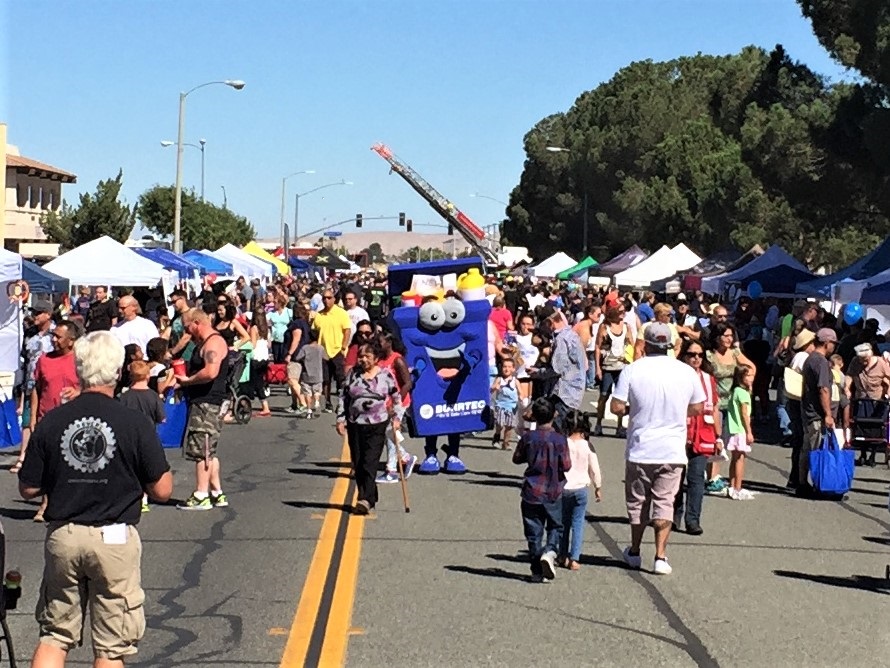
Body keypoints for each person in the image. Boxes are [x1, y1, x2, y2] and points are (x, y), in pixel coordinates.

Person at [18, 330, 172, 666]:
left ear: (79, 368)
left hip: (65, 533)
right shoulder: (133, 422)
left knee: (55, 635)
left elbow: (27, 487)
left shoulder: (54, 421)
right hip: (114, 534)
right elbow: (162, 489)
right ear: (118, 372)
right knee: (110, 646)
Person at [611, 322, 705, 575]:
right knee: (665, 502)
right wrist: (676, 412)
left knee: (638, 502)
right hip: (672, 448)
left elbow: (616, 407)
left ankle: (634, 549)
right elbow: (698, 407)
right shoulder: (686, 372)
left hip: (642, 446)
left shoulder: (632, 370)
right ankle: (660, 556)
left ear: (647, 343)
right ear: (671, 345)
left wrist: (634, 409)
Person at [335, 340, 404, 515]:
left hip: (377, 424)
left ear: (376, 358)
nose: (363, 359)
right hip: (355, 423)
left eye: (367, 356)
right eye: (361, 356)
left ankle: (364, 499)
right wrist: (340, 419)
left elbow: (396, 397)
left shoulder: (385, 375)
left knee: (370, 461)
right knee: (358, 462)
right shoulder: (353, 374)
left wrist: (396, 418)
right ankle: (369, 496)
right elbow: (343, 397)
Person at [174, 309, 230, 510]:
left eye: (188, 327)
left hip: (209, 402)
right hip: (203, 400)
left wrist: (188, 381)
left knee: (202, 447)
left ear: (196, 323)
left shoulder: (213, 343)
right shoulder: (204, 344)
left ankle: (201, 494)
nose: (188, 333)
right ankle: (216, 492)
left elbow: (211, 371)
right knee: (208, 447)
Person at [512, 397, 571, 583]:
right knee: (555, 525)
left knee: (533, 532)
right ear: (555, 414)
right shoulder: (560, 440)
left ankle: (536, 571)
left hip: (532, 489)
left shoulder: (529, 438)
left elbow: (517, 458)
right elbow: (567, 465)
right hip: (553, 489)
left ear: (534, 416)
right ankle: (550, 550)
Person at [673, 339, 722, 535]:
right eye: (692, 354)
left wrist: (719, 436)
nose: (696, 358)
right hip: (678, 433)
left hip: (703, 435)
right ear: (684, 356)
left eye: (700, 355)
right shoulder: (675, 376)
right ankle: (672, 517)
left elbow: (716, 407)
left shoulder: (709, 379)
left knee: (696, 480)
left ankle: (693, 520)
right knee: (675, 479)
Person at [704, 323, 754, 494]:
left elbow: (751, 367)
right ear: (717, 337)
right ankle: (712, 477)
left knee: (726, 440)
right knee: (714, 439)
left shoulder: (735, 353)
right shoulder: (709, 355)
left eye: (731, 335)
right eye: (725, 336)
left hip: (732, 403)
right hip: (714, 402)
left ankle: (716, 477)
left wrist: (748, 383)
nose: (729, 339)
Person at [558, 410, 603, 571]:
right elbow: (594, 469)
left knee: (563, 523)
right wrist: (598, 487)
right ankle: (574, 558)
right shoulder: (588, 446)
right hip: (581, 488)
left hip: (564, 487)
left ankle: (562, 554)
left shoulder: (563, 443)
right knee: (578, 523)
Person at [798, 328, 838, 496]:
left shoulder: (810, 359)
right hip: (816, 413)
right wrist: (828, 414)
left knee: (806, 449)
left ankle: (802, 482)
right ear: (827, 342)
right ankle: (817, 485)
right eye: (833, 343)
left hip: (807, 411)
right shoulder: (820, 361)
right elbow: (823, 389)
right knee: (816, 451)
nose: (834, 347)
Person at [376, 331, 417, 483]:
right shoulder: (379, 360)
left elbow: (408, 383)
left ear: (388, 343)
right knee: (389, 433)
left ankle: (391, 471)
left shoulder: (397, 360)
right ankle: (406, 457)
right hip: (384, 402)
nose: (378, 345)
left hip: (399, 401)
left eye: (380, 342)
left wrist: (397, 399)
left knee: (391, 430)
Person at [539, 304, 585, 431]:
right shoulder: (572, 335)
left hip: (563, 393)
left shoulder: (561, 339)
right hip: (575, 390)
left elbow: (557, 369)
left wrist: (538, 373)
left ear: (549, 322)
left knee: (559, 431)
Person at [844, 342, 890, 466]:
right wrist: (847, 388)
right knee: (861, 427)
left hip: (877, 400)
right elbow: (849, 375)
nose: (863, 362)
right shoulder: (855, 361)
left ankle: (873, 456)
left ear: (870, 356)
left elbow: (889, 379)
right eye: (861, 360)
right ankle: (863, 454)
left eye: (865, 360)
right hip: (861, 398)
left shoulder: (881, 363)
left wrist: (887, 393)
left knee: (875, 428)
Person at [594, 306, 633, 437]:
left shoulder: (626, 327)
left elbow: (631, 345)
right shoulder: (604, 327)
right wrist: (597, 368)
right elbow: (598, 347)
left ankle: (619, 426)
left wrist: (630, 359)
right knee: (603, 396)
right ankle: (599, 423)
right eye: (621, 311)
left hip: (622, 366)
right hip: (607, 366)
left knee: (621, 398)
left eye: (624, 311)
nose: (623, 314)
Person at [313, 289, 352, 412]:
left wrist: (344, 347)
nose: (326, 300)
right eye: (324, 298)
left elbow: (347, 331)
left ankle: (341, 403)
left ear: (334, 299)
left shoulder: (341, 313)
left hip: (337, 351)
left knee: (340, 379)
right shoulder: (319, 315)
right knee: (325, 379)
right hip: (323, 352)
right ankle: (328, 403)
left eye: (329, 298)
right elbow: (314, 331)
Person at [726, 365, 756, 500]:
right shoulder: (742, 393)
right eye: (748, 375)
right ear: (740, 377)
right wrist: (749, 431)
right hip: (740, 429)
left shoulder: (735, 391)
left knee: (735, 457)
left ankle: (732, 486)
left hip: (733, 428)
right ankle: (738, 487)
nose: (751, 378)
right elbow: (744, 413)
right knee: (740, 459)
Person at [284, 302, 312, 414]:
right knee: (297, 380)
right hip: (304, 353)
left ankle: (303, 404)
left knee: (292, 379)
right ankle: (294, 404)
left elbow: (296, 339)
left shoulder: (297, 324)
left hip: (296, 355)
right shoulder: (305, 323)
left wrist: (290, 353)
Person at [491, 358, 520, 450]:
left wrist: (522, 398)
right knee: (500, 424)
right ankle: (497, 436)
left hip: (512, 407)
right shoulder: (499, 379)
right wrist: (495, 387)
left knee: (510, 426)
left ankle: (506, 443)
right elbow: (491, 389)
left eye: (509, 367)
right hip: (501, 405)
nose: (506, 369)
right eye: (504, 367)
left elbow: (520, 391)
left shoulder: (515, 381)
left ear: (513, 369)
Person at [247, 308, 272, 417]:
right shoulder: (266, 328)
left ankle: (264, 406)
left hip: (256, 356)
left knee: (256, 383)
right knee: (259, 381)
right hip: (264, 357)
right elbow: (269, 344)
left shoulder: (254, 328)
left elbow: (253, 344)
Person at [295, 329, 325, 418]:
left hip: (306, 374)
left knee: (307, 393)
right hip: (318, 374)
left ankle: (309, 410)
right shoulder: (320, 348)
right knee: (317, 391)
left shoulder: (305, 348)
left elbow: (297, 358)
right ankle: (316, 401)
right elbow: (326, 357)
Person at [268, 293, 291, 363]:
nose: (273, 304)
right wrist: (269, 339)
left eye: (275, 302)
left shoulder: (289, 312)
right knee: (276, 359)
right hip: (275, 339)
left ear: (281, 303)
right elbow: (268, 326)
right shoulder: (271, 313)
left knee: (283, 359)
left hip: (285, 340)